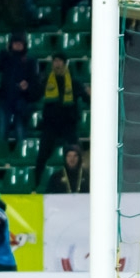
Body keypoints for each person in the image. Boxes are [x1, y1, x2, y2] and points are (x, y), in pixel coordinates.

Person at [35, 52, 90, 185]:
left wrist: (90, 94)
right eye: (55, 61)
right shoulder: (46, 81)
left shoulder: (74, 83)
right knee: (42, 156)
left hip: (68, 125)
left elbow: (87, 99)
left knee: (75, 154)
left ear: (65, 64)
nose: (57, 64)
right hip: (50, 125)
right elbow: (34, 95)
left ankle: (80, 183)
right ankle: (35, 184)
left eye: (59, 61)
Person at [0, 32, 38, 144]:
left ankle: (22, 153)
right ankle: (1, 153)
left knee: (20, 131)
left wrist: (27, 86)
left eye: (20, 42)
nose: (17, 45)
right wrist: (4, 51)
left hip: (22, 100)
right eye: (15, 42)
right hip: (5, 99)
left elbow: (35, 81)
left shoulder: (30, 60)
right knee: (2, 131)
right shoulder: (5, 58)